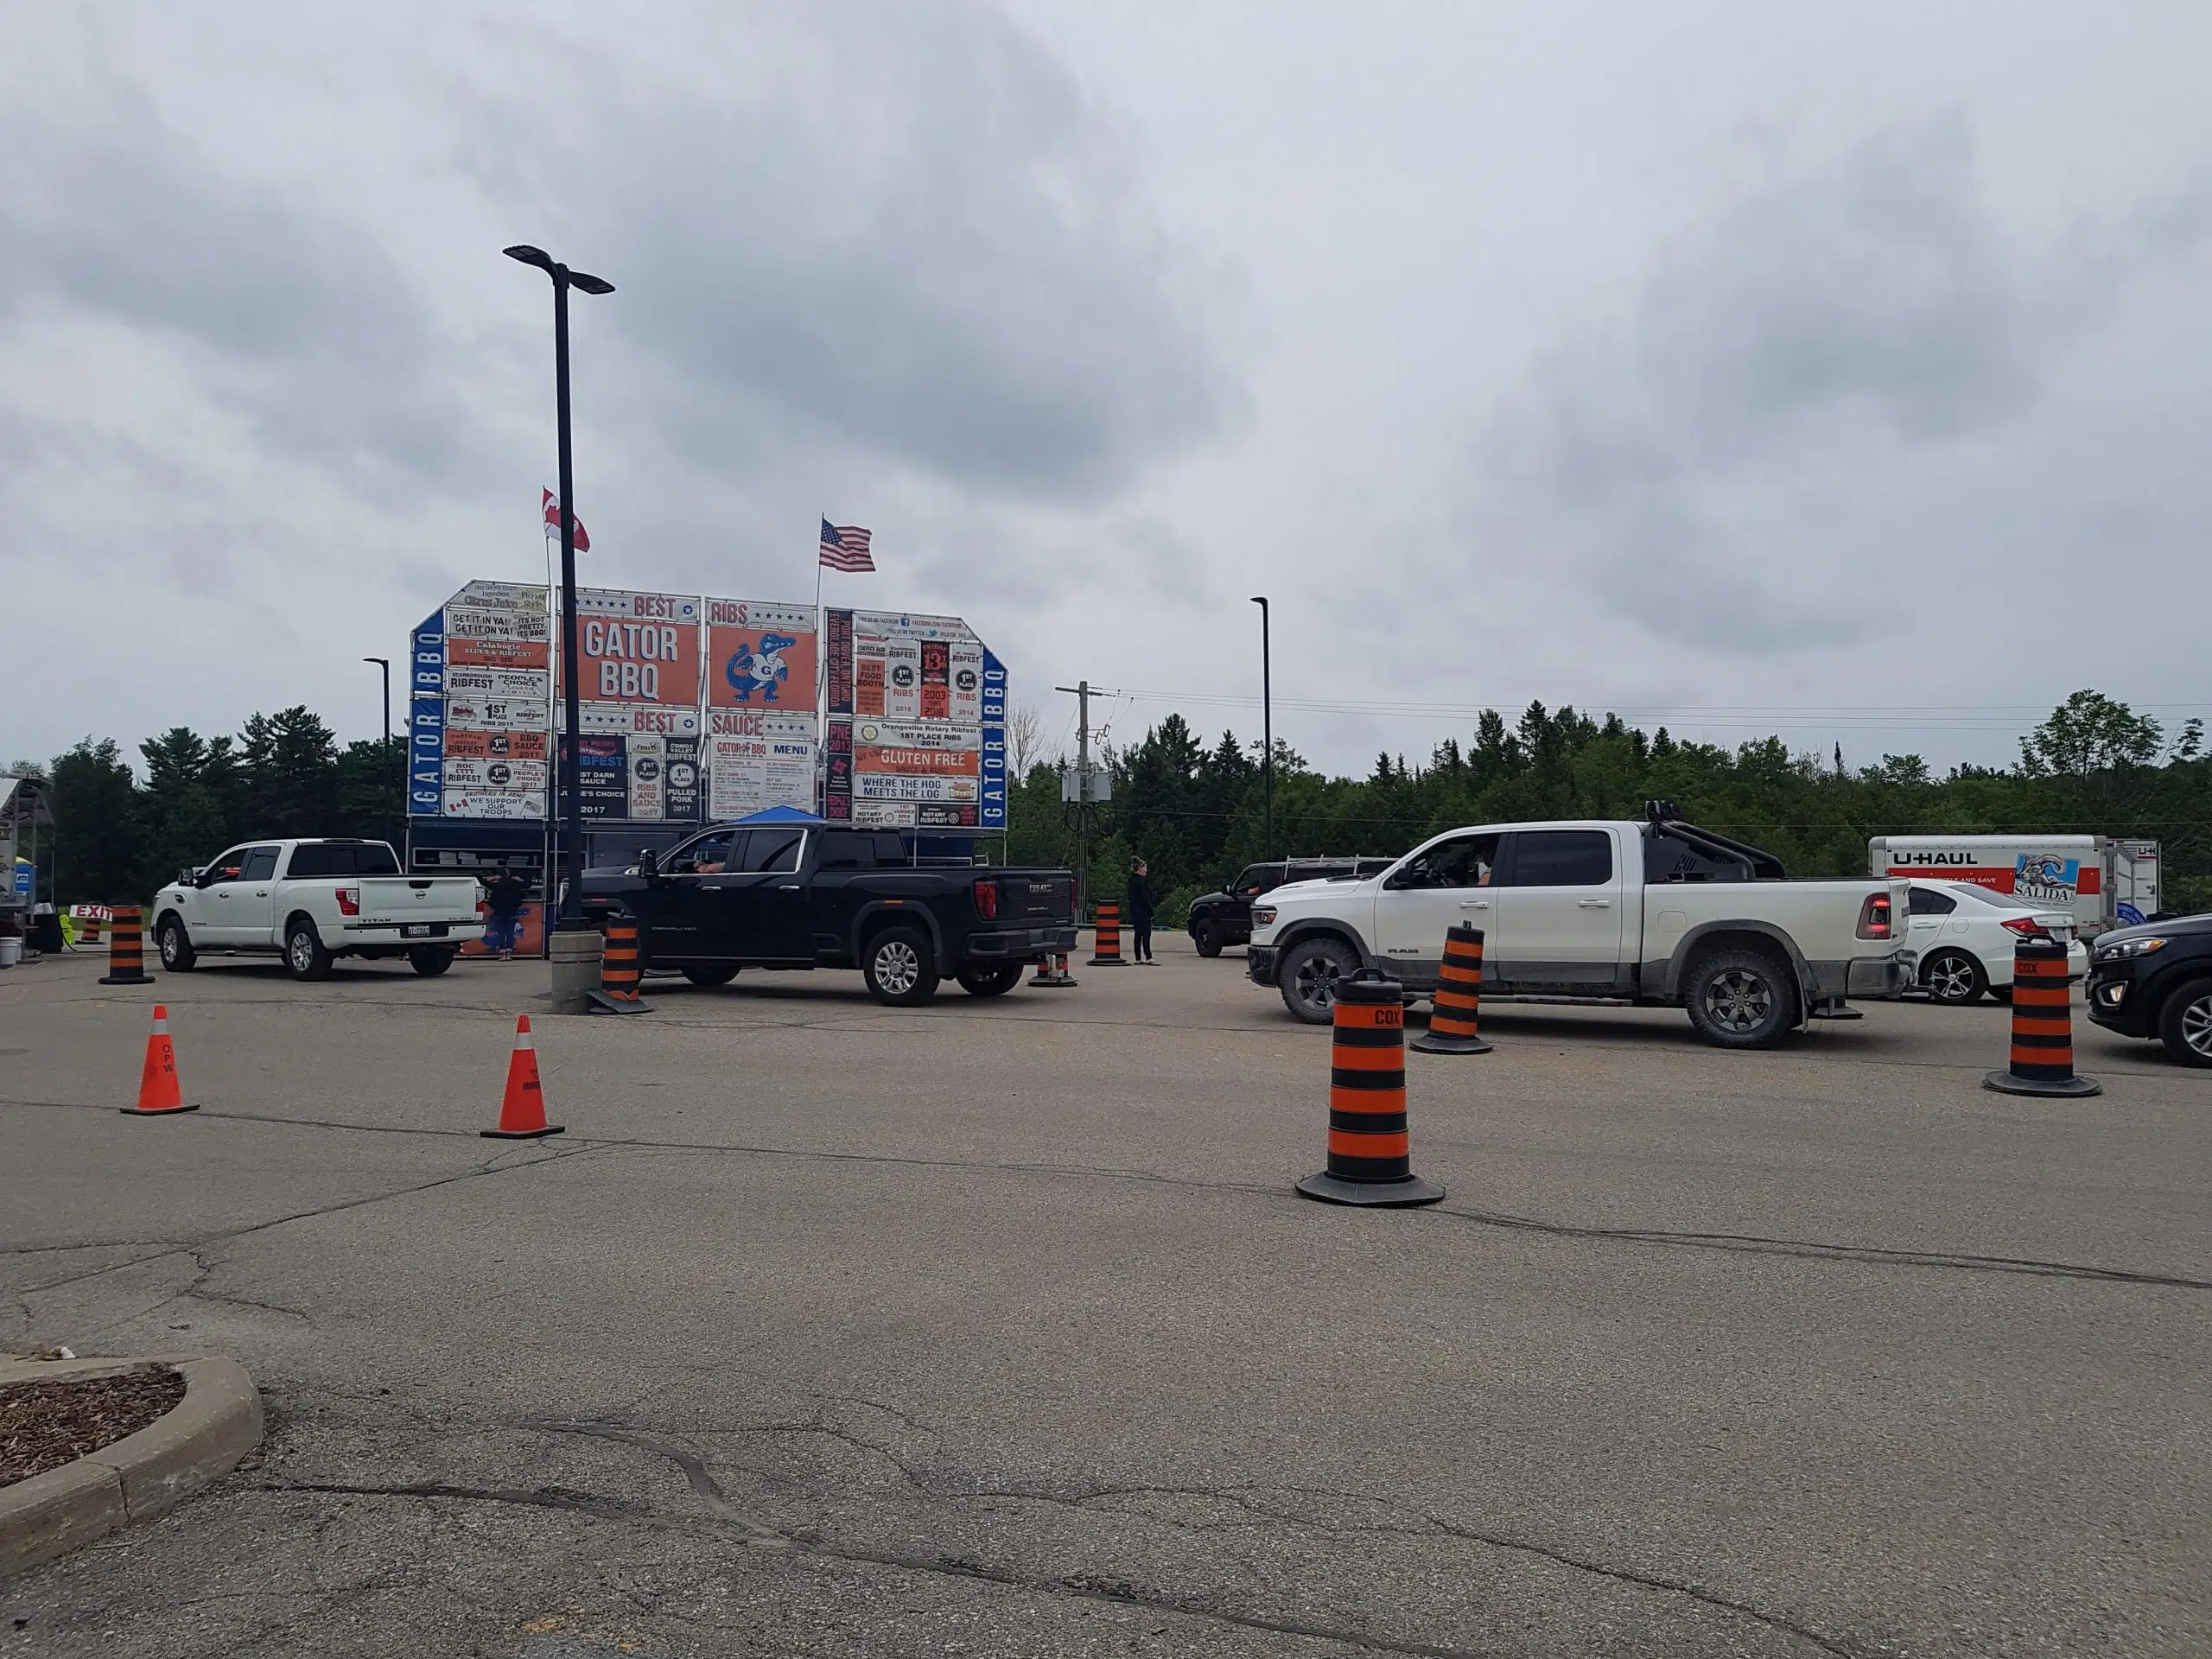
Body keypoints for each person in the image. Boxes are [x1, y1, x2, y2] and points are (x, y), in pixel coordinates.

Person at [485, 870, 528, 961]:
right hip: (512, 911)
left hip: (499, 911)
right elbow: (527, 884)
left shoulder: (497, 885)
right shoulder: (515, 885)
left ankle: (503, 954)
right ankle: (509, 954)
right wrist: (519, 879)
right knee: (510, 932)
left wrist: (492, 878)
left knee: (501, 933)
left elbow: (484, 883)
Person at [1128, 857, 1155, 964]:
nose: (1146, 870)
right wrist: (1151, 910)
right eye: (1145, 868)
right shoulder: (1142, 882)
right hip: (1144, 912)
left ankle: (1138, 958)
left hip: (1134, 912)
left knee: (1138, 934)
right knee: (1146, 934)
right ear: (1139, 868)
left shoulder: (1131, 882)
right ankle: (1148, 957)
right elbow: (1145, 898)